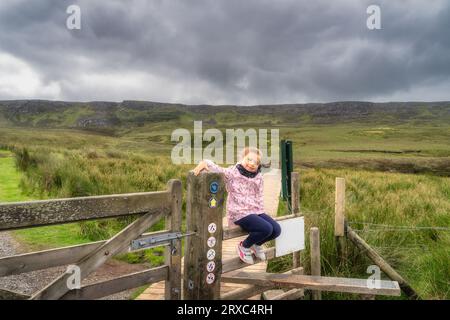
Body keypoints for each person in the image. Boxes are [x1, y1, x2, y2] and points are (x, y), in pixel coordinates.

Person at [193, 147, 281, 264]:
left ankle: (256, 244)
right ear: (242, 158)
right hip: (239, 213)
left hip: (255, 211)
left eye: (256, 162)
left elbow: (259, 195)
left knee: (276, 230)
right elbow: (216, 168)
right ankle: (244, 246)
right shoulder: (233, 172)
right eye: (249, 159)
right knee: (266, 228)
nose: (251, 164)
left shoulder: (258, 177)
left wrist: (261, 213)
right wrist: (203, 163)